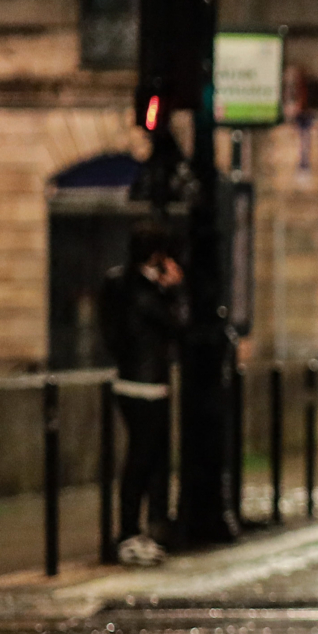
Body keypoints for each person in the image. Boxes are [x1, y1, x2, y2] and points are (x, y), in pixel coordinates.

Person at [101, 226, 184, 566]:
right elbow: (175, 326)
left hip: (134, 383)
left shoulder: (117, 284)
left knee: (147, 460)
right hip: (145, 386)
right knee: (142, 461)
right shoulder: (144, 290)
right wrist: (173, 290)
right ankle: (131, 533)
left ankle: (140, 530)